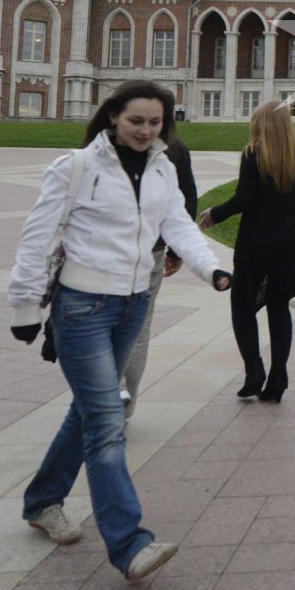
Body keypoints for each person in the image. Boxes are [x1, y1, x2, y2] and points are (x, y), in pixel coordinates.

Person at [8, 81, 230, 584]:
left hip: (132, 304)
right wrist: (23, 306)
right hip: (82, 307)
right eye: (136, 121)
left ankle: (43, 500)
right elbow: (37, 237)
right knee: (108, 418)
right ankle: (130, 544)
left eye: (155, 123)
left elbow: (177, 224)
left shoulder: (162, 166)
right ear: (112, 117)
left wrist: (209, 268)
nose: (146, 130)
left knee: (87, 409)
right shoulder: (77, 168)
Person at [199, 99, 295, 403]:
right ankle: (278, 376)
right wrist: (293, 234)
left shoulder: (253, 155)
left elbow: (244, 199)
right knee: (279, 307)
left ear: (260, 125)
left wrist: (214, 214)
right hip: (290, 243)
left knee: (241, 304)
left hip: (256, 243)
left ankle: (254, 371)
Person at [121, 134, 198, 421]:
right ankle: (123, 406)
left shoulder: (100, 144)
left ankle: (109, 396)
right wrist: (176, 250)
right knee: (139, 330)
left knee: (103, 326)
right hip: (150, 248)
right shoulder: (175, 148)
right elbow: (186, 201)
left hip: (105, 251)